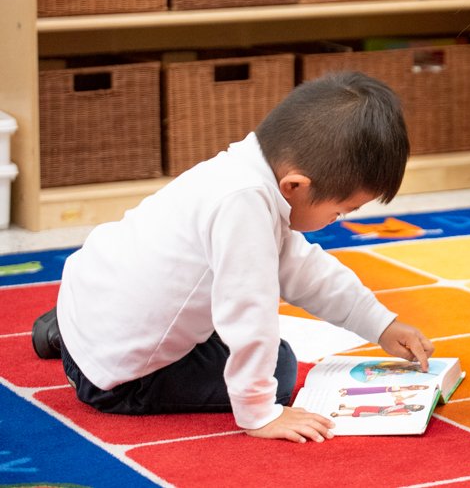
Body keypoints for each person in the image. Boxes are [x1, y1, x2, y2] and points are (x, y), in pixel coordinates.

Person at [31, 71, 434, 443]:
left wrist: (381, 324)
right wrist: (259, 410)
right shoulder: (243, 208)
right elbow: (249, 311)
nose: (336, 221)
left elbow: (305, 271)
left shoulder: (244, 171)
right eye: (341, 211)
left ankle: (66, 335)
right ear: (295, 185)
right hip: (117, 380)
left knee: (227, 322)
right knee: (278, 367)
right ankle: (93, 358)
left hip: (84, 309)